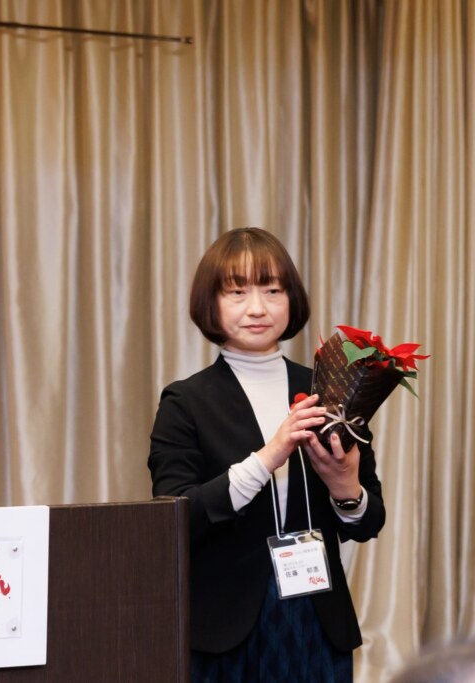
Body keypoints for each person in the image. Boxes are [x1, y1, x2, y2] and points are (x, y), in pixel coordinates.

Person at [147, 228, 385, 681]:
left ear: (292, 298)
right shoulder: (185, 402)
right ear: (210, 303)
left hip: (317, 618)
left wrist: (347, 490)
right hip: (224, 629)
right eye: (237, 292)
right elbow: (176, 519)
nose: (257, 308)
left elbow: (369, 522)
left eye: (272, 290)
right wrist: (269, 456)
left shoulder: (329, 390)